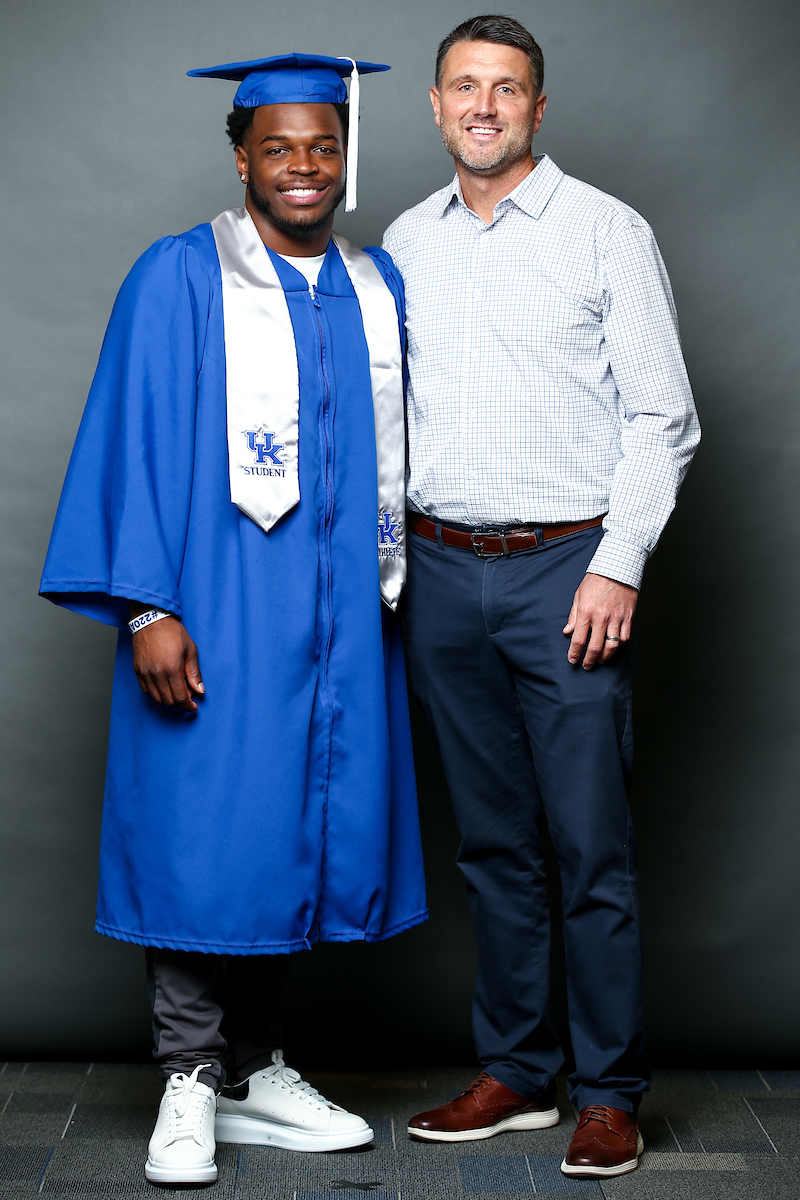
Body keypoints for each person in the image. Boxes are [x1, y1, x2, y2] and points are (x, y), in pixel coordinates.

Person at [40, 52, 427, 1187]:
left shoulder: (376, 286)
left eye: (321, 145)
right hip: (213, 603)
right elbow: (135, 438)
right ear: (240, 154)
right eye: (277, 147)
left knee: (287, 825)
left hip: (341, 620)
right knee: (204, 828)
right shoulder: (178, 277)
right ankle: (190, 1079)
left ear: (342, 155)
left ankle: (254, 1070)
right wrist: (147, 607)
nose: (302, 166)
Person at [383, 14, 700, 1179]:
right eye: (462, 87)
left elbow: (659, 417)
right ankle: (517, 1070)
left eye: (504, 89)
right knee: (491, 847)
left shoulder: (605, 232)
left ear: (536, 107)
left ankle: (608, 1090)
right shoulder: (403, 245)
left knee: (588, 846)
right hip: (438, 573)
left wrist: (617, 563)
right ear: (432, 105)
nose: (481, 106)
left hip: (567, 575)